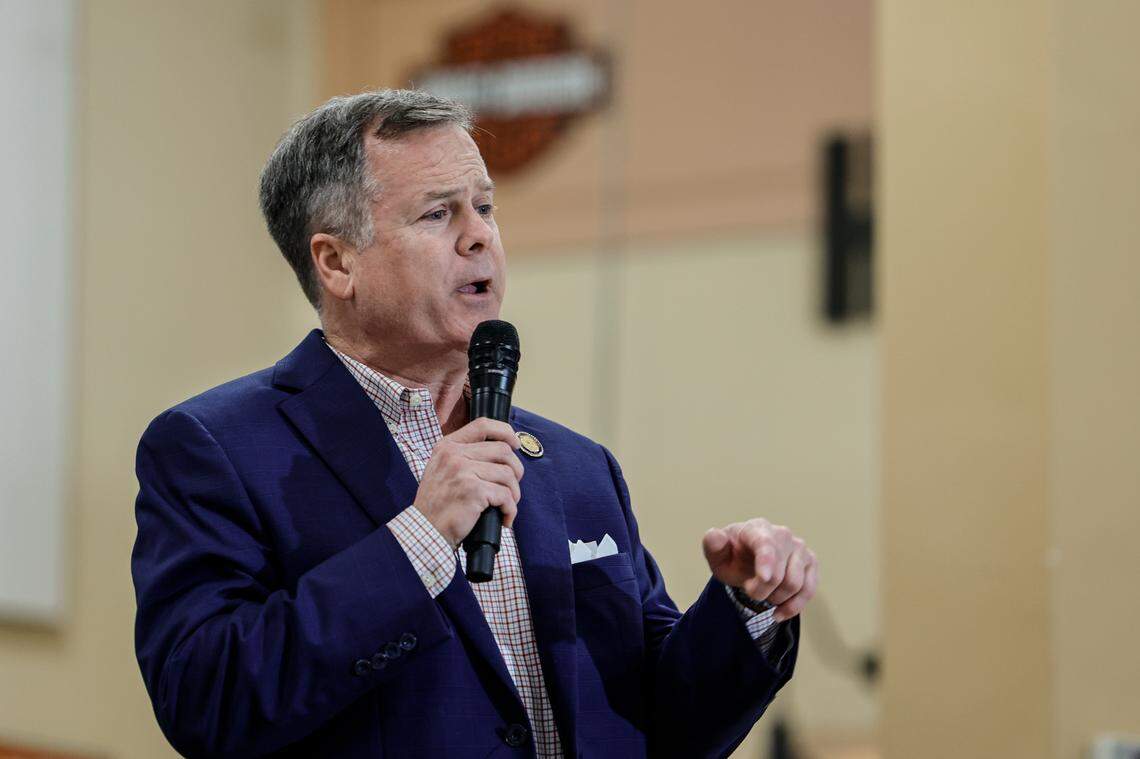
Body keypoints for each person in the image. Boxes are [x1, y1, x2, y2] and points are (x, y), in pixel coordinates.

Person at [131, 89, 818, 759]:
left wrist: (744, 606)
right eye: (438, 214)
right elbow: (207, 701)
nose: (480, 235)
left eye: (484, 207)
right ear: (336, 263)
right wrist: (420, 539)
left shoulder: (580, 469)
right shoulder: (217, 449)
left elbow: (663, 725)